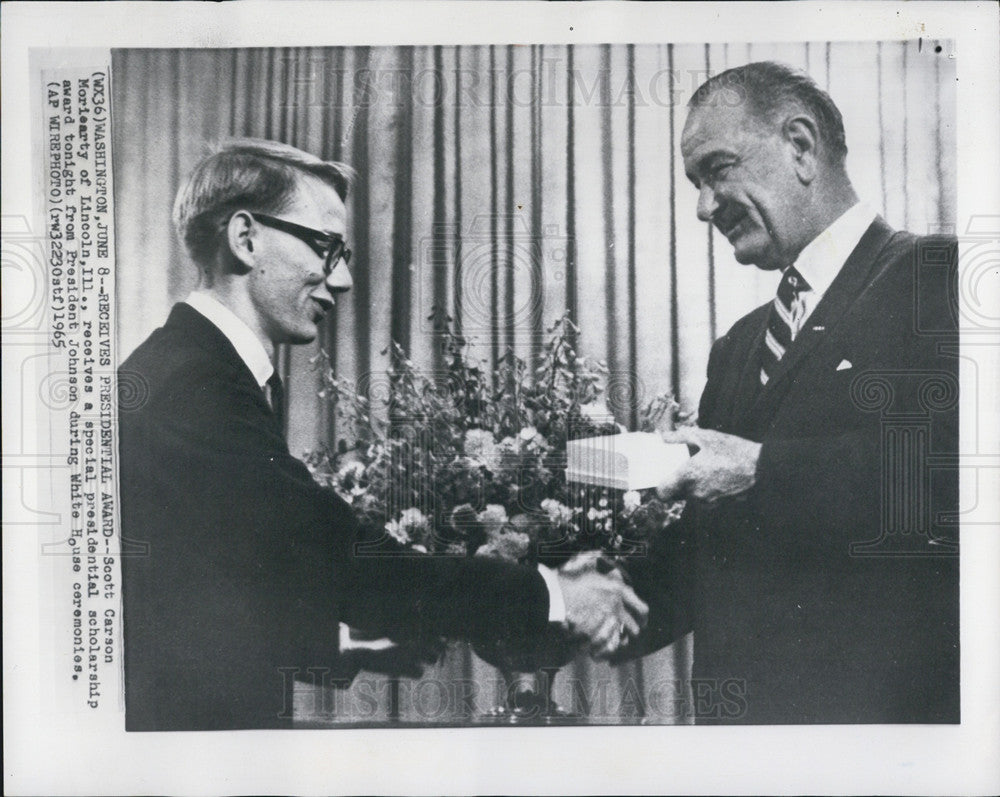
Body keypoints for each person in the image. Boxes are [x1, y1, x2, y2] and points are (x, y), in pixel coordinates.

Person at [118, 139, 647, 731]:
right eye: (326, 248)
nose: (341, 280)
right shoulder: (195, 383)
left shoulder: (192, 367)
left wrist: (347, 642)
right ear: (246, 239)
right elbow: (336, 557)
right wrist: (552, 595)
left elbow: (207, 594)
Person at [616, 61, 959, 724]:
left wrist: (756, 468)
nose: (703, 207)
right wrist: (563, 602)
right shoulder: (738, 347)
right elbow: (707, 559)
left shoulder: (936, 275)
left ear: (800, 147)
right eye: (695, 183)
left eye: (717, 169)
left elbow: (953, 482)